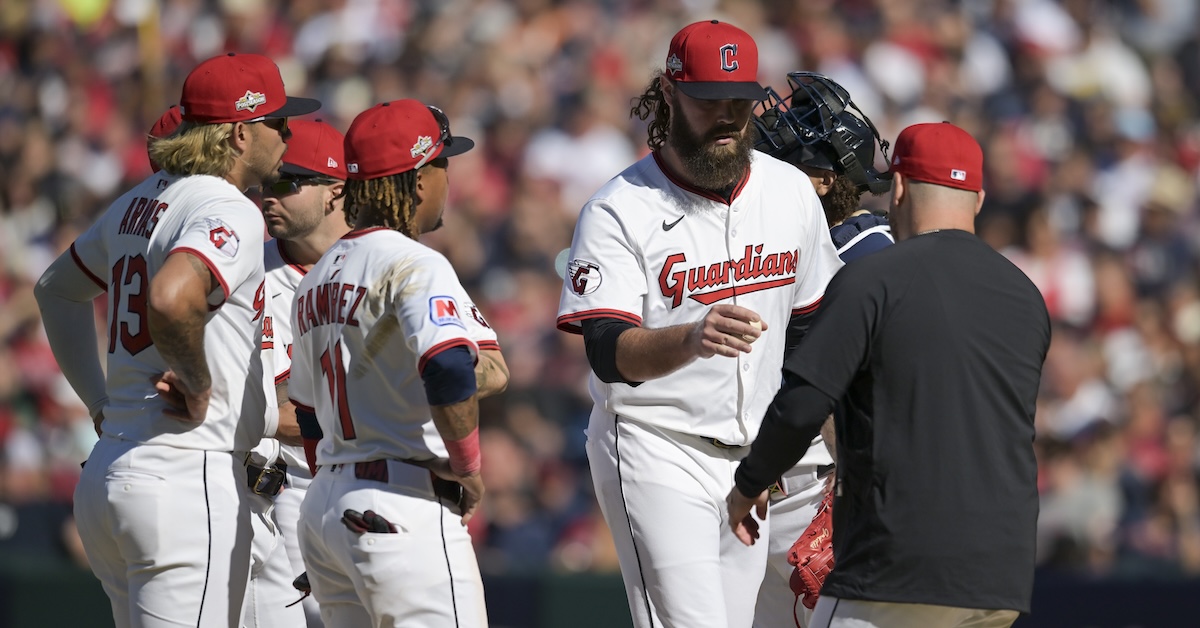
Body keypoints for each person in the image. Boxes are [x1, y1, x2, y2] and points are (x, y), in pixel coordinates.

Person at [555, 20, 843, 628]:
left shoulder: (789, 191)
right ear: (668, 95)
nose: (727, 117)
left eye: (738, 101)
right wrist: (690, 338)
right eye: (709, 100)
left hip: (750, 463)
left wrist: (841, 467)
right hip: (654, 444)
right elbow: (607, 352)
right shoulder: (619, 208)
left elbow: (817, 335)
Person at [33, 52, 319, 627]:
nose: (287, 134)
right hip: (186, 472)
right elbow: (170, 296)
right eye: (276, 122)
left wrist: (98, 401)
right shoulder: (226, 205)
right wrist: (196, 379)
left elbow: (54, 290)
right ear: (240, 133)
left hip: (113, 468)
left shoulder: (139, 200)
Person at [727, 122, 1051, 628]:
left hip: (896, 564)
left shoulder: (873, 278)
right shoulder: (1027, 297)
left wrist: (749, 484)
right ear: (979, 199)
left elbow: (804, 403)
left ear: (897, 188)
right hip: (999, 577)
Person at [288, 99, 507, 627]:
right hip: (400, 503)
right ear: (416, 178)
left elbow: (310, 413)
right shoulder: (415, 262)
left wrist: (334, 488)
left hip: (327, 506)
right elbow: (452, 366)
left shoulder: (316, 276)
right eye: (441, 165)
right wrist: (468, 466)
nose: (445, 181)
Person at [749, 71, 894, 627]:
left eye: (779, 156)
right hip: (765, 486)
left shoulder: (864, 254)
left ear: (821, 181)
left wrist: (854, 486)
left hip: (820, 489)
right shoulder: (787, 245)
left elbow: (877, 385)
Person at [244, 118, 351, 628]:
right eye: (266, 184)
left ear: (336, 190)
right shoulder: (247, 271)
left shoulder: (385, 265)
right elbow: (283, 415)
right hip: (282, 489)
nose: (269, 197)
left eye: (286, 184)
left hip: (372, 482)